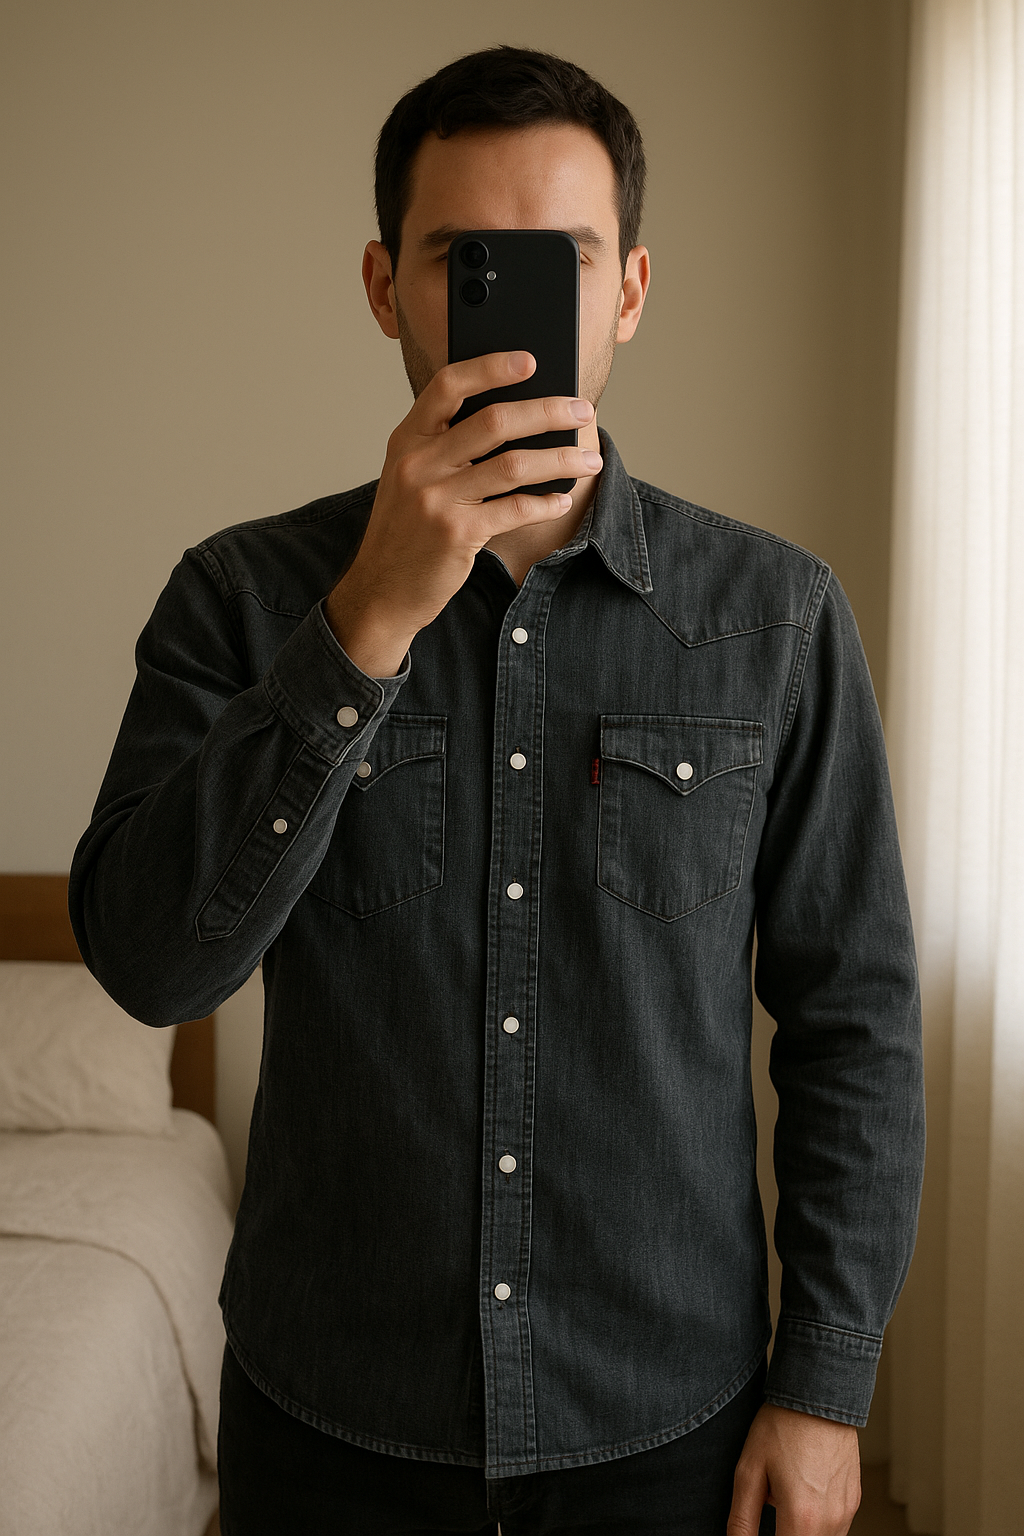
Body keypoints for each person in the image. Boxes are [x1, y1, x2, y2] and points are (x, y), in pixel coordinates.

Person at [69, 45, 925, 1536]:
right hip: (332, 1423)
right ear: (385, 287)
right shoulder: (242, 598)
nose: (517, 301)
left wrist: (828, 1388)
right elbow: (150, 968)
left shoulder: (775, 616)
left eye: (565, 257)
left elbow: (854, 1018)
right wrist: (368, 623)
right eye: (467, 259)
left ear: (630, 291)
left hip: (667, 1425)